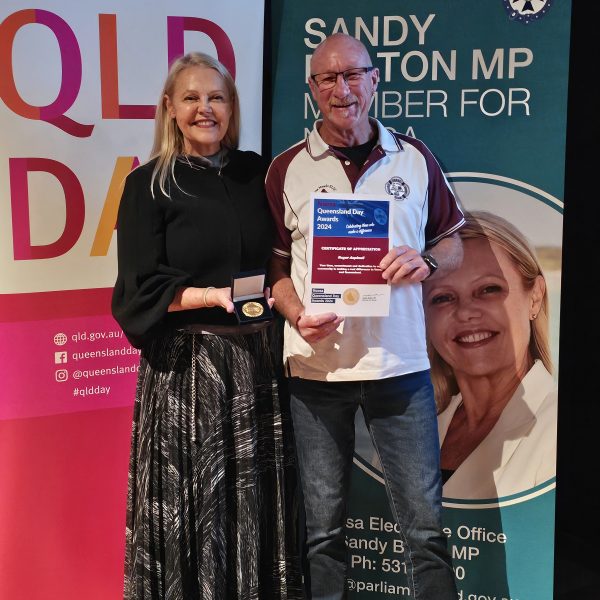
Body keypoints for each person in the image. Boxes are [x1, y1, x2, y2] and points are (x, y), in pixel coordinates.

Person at [266, 33, 463, 599]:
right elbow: (274, 268)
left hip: (400, 368)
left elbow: (452, 242)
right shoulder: (286, 169)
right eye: (327, 78)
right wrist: (295, 312)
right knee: (322, 533)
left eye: (353, 74)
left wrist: (425, 260)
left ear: (374, 80)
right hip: (316, 371)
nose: (342, 89)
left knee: (424, 532)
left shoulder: (415, 158)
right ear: (312, 88)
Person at [112, 52, 302, 599]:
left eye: (217, 97)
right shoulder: (148, 184)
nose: (205, 109)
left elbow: (283, 258)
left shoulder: (257, 174)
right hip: (189, 373)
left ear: (232, 106)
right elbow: (137, 288)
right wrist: (207, 296)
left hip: (259, 367)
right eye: (191, 98)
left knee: (257, 507)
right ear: (170, 108)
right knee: (197, 510)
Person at [423, 211, 557, 499]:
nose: (466, 312)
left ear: (534, 297)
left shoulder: (559, 427)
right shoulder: (412, 430)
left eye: (489, 289)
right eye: (443, 297)